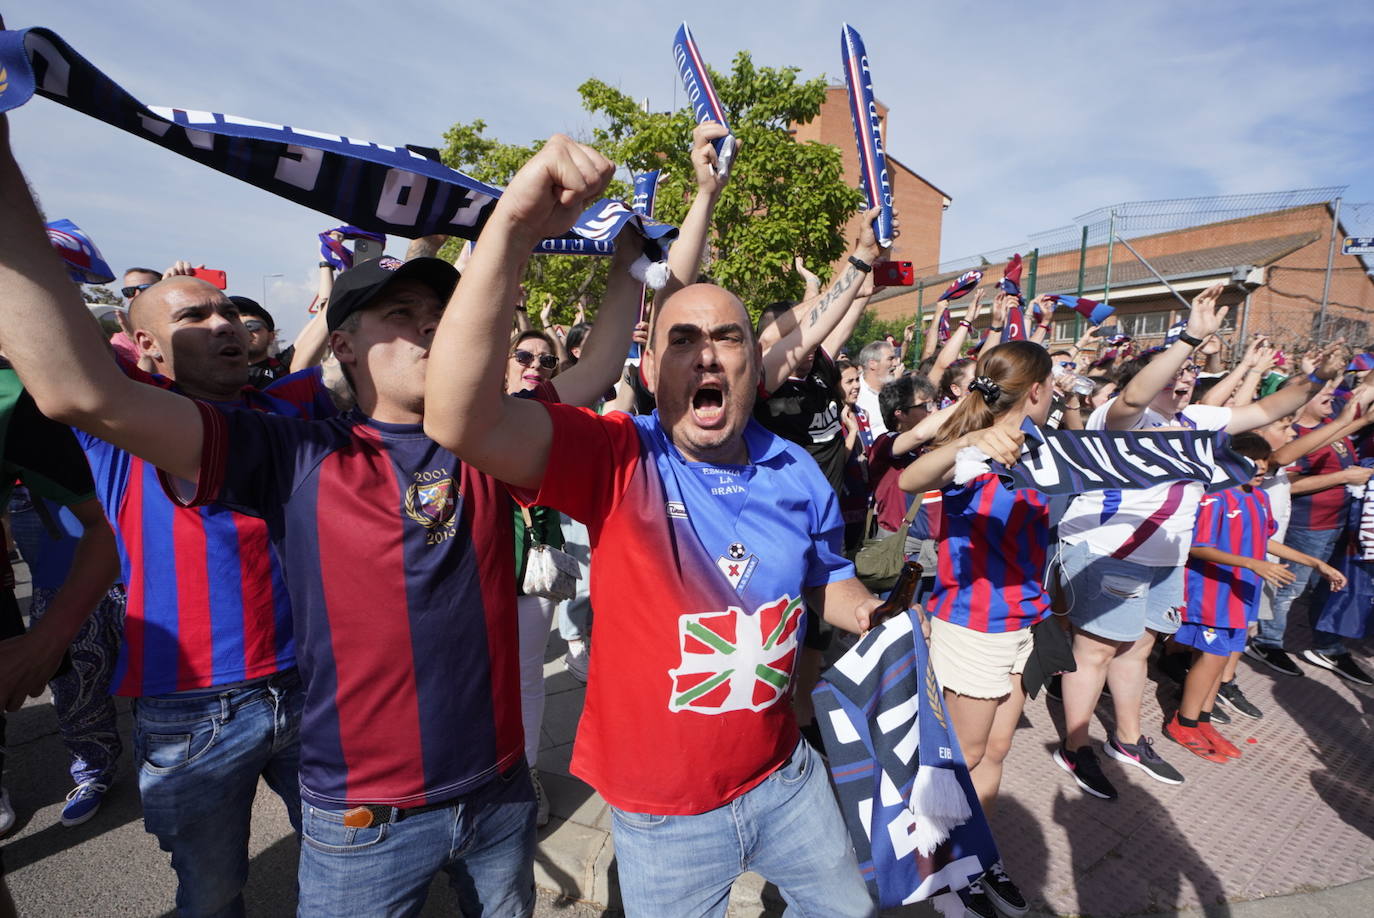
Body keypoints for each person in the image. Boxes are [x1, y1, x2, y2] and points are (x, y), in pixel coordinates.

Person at [424, 134, 881, 918]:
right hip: (663, 815)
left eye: (727, 337)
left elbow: (824, 581)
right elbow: (461, 419)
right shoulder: (615, 460)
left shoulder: (797, 470)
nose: (707, 354)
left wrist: (882, 618)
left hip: (786, 780)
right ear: (651, 370)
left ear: (753, 363)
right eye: (683, 340)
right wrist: (510, 229)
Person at [1052, 282, 1350, 800]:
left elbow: (1267, 410)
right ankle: (1076, 748)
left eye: (1190, 374)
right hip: (1109, 551)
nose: (1185, 379)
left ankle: (1128, 739)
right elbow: (1137, 393)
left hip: (1164, 557)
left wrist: (1316, 379)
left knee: (1138, 649)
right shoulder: (1119, 420)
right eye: (1177, 372)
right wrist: (1189, 339)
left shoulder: (1198, 421)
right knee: (1096, 651)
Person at [898, 340, 1056, 918]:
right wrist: (967, 442)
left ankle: (975, 857)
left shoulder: (1044, 446)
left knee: (996, 748)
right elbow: (912, 477)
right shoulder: (974, 450)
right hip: (972, 625)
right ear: (1035, 389)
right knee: (957, 758)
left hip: (1021, 622)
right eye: (1053, 382)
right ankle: (937, 874)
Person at [1173, 434, 1345, 759]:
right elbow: (1198, 547)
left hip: (1241, 593)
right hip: (1212, 594)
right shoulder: (1215, 498)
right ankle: (1184, 722)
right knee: (1209, 657)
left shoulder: (1258, 498)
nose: (1262, 468)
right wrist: (1252, 563)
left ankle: (1204, 722)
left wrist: (1314, 562)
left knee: (1222, 658)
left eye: (1264, 461)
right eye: (1254, 462)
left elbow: (1264, 540)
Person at [1246, 382, 1374, 683]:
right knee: (1290, 588)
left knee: (1326, 586)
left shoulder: (1331, 427)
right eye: (1322, 389)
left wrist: (1359, 420)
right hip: (1307, 525)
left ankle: (1326, 645)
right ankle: (1268, 642)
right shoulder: (1290, 442)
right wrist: (1343, 476)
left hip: (1337, 521)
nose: (1332, 393)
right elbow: (1291, 482)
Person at [855, 338, 900, 437]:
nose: (896, 364)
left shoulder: (897, 391)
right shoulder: (855, 394)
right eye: (890, 359)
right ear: (872, 363)